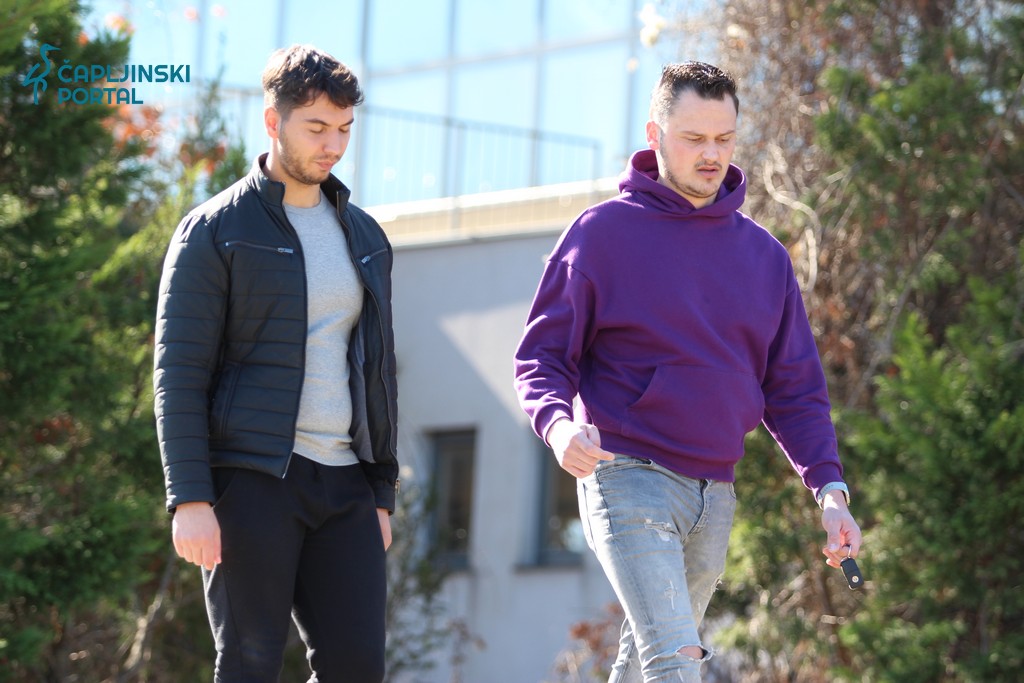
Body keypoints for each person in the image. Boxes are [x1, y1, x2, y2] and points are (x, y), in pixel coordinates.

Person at [513, 61, 862, 682]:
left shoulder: (764, 257)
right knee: (676, 660)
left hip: (714, 492)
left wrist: (830, 493)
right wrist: (558, 426)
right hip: (626, 475)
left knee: (645, 660)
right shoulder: (602, 234)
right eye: (694, 138)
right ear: (655, 134)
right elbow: (541, 355)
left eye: (724, 139)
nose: (712, 155)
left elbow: (795, 390)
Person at [154, 44, 399, 683]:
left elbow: (376, 372)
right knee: (250, 664)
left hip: (344, 484)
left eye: (344, 129)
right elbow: (179, 373)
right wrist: (190, 498)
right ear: (273, 121)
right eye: (316, 127)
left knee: (358, 668)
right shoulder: (215, 229)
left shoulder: (366, 237)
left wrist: (379, 491)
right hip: (252, 481)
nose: (332, 145)